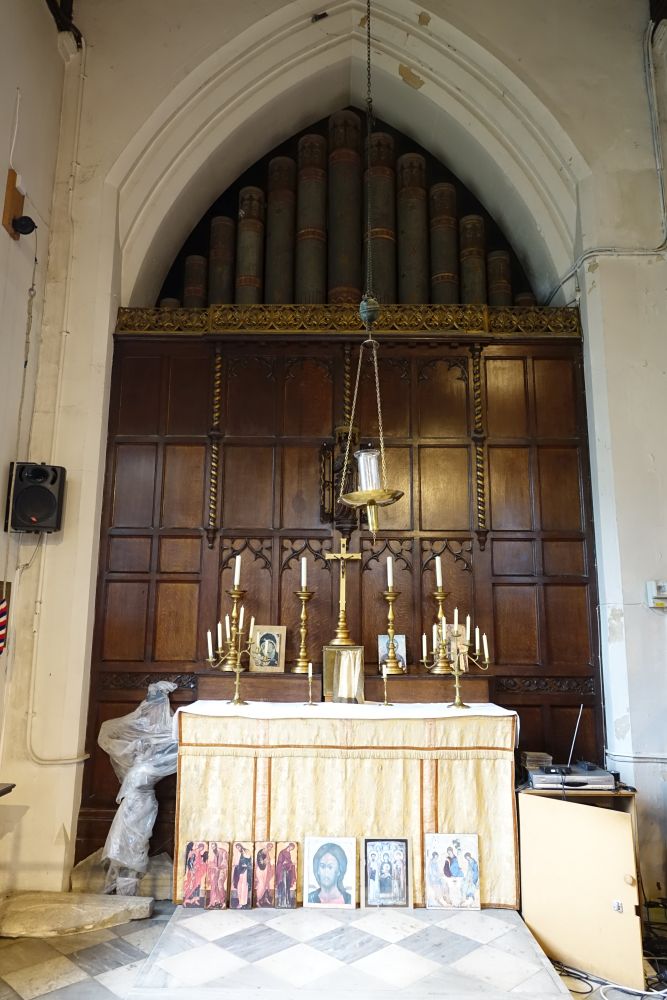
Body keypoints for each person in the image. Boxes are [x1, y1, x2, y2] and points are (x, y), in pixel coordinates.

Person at [207, 841, 228, 909]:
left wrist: (218, 867)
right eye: (212, 847)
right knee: (213, 885)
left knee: (220, 884)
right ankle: (213, 902)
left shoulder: (223, 852)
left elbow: (225, 862)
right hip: (216, 871)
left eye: (214, 847)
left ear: (216, 846)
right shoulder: (214, 853)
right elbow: (213, 862)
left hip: (223, 870)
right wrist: (212, 865)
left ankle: (223, 902)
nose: (213, 848)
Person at [275, 843, 296, 908]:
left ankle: (287, 902)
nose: (291, 849)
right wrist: (284, 863)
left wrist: (291, 863)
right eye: (291, 848)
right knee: (283, 887)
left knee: (287, 887)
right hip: (282, 872)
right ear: (289, 846)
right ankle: (281, 903)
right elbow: (279, 862)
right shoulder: (282, 852)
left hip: (287, 872)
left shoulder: (289, 853)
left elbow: (289, 862)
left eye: (292, 849)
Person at [231, 843, 252, 908]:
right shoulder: (238, 853)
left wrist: (243, 853)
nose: (238, 848)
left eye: (239, 847)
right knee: (239, 886)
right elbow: (237, 862)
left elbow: (248, 857)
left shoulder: (246, 851)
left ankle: (243, 902)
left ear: (241, 846)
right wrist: (235, 865)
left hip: (245, 871)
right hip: (239, 870)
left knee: (244, 886)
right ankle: (240, 902)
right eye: (237, 847)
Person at [254, 842, 275, 907]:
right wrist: (265, 862)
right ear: (267, 846)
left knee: (266, 884)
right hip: (261, 870)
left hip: (265, 870)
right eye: (270, 847)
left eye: (271, 847)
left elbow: (267, 862)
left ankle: (265, 899)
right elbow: (260, 863)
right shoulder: (261, 852)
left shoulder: (267, 852)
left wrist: (270, 866)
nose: (270, 848)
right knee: (261, 885)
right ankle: (258, 900)